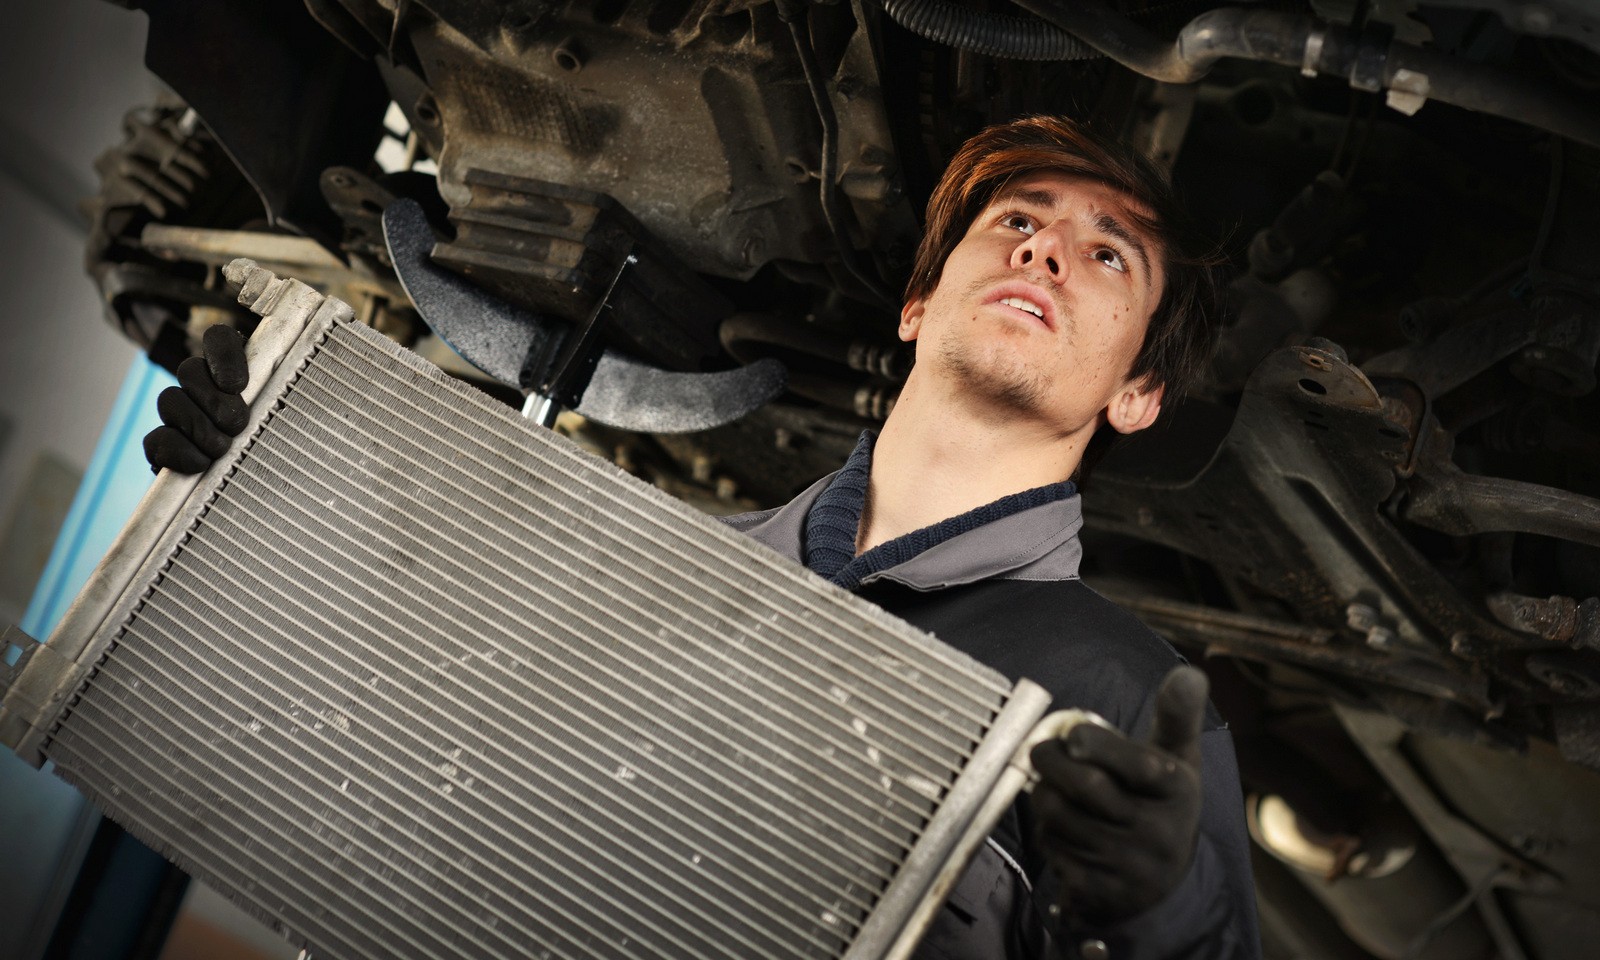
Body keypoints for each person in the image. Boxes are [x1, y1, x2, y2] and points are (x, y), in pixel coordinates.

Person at [146, 115, 1258, 959]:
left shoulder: (1119, 702)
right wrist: (247, 494)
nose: (1046, 249)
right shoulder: (658, 570)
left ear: (1138, 395)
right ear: (917, 305)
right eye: (1015, 222)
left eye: (1108, 256)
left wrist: (1168, 918)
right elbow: (402, 769)